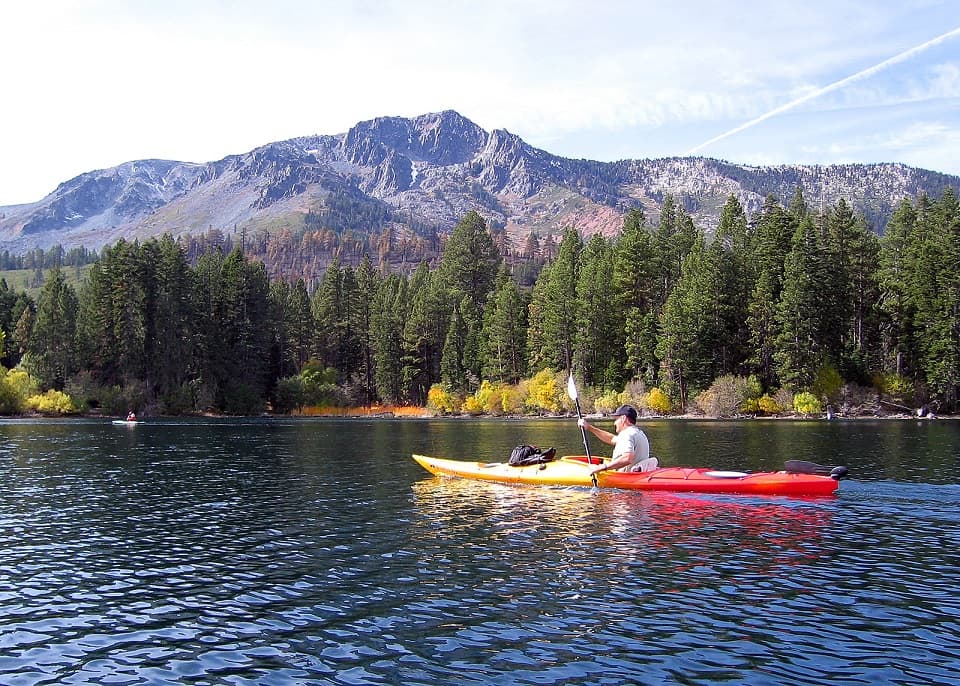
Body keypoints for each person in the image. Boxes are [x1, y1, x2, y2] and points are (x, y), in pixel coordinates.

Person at [578, 404, 653, 476]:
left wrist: (601, 467)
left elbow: (627, 458)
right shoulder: (639, 433)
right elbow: (612, 439)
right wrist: (589, 428)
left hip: (625, 478)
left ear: (623, 418)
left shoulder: (626, 434)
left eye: (616, 419)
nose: (614, 423)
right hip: (639, 475)